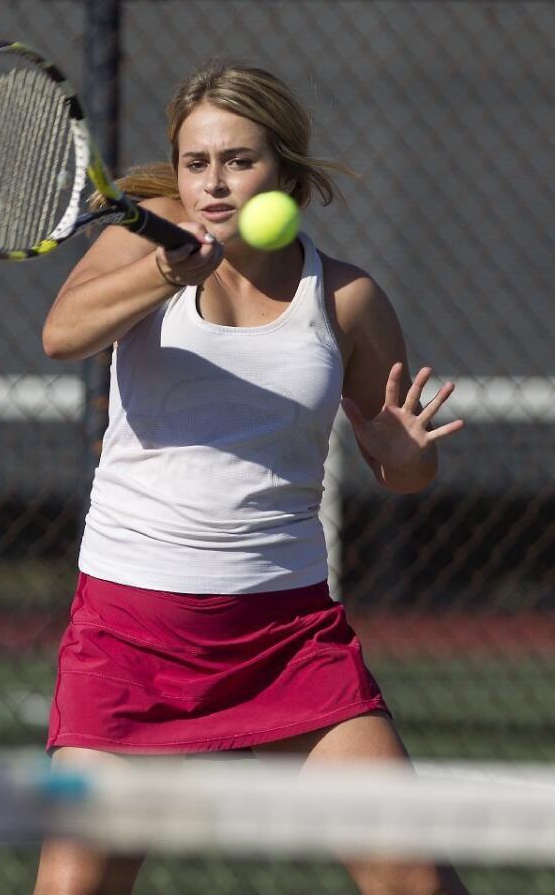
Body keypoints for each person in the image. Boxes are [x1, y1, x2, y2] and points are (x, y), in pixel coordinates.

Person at [34, 62, 468, 895]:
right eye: (196, 163)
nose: (215, 184)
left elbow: (405, 470)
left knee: (416, 880)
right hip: (130, 637)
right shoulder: (146, 237)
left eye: (239, 161)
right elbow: (63, 335)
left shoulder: (346, 298)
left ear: (285, 172)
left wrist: (405, 454)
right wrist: (170, 271)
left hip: (286, 639)